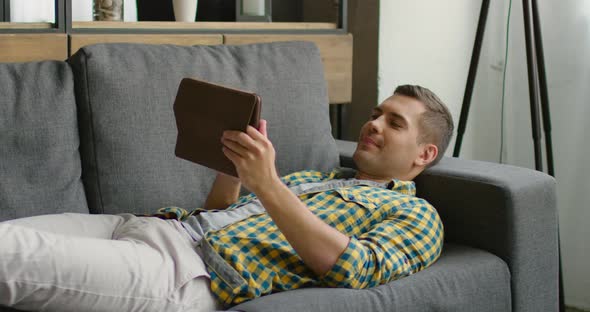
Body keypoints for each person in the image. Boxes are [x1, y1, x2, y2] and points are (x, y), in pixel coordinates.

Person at [0, 84, 454, 312]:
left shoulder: (416, 214)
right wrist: (232, 172)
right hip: (152, 224)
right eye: (376, 114)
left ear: (425, 153)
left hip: (183, 272)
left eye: (394, 123)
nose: (373, 124)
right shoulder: (323, 178)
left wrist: (269, 184)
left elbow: (356, 269)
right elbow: (220, 216)